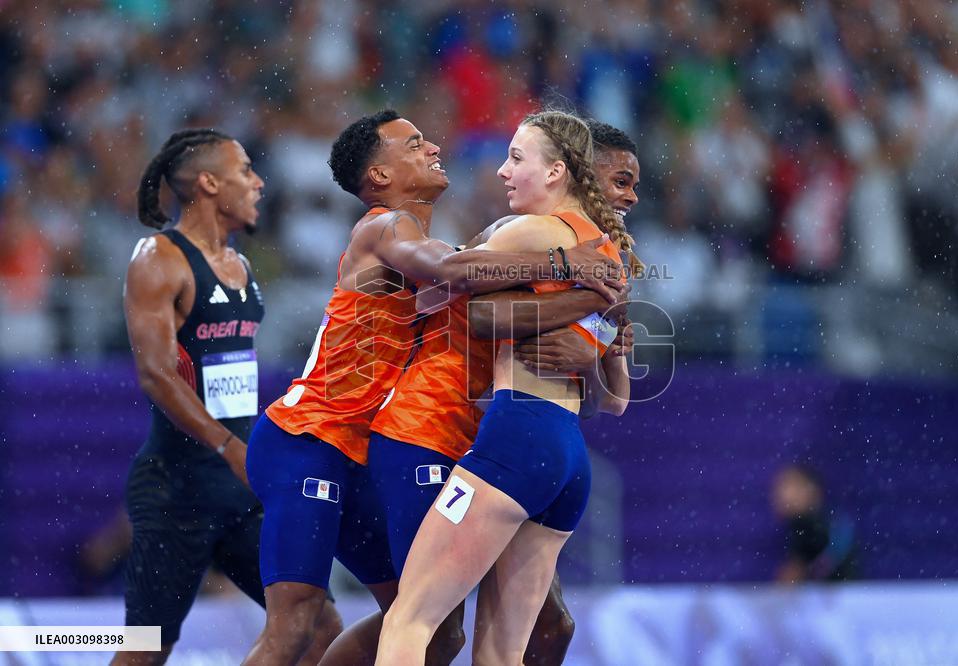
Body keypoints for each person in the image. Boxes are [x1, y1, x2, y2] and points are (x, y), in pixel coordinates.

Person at [244, 109, 622, 666]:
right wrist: (574, 266)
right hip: (314, 436)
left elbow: (472, 279)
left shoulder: (443, 245)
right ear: (379, 177)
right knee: (301, 621)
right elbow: (460, 276)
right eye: (413, 144)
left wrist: (597, 325)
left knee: (437, 630)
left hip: (372, 443)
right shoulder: (385, 226)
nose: (432, 147)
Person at [362, 119, 640, 665]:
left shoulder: (530, 230)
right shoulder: (615, 258)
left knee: (409, 620)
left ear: (557, 171)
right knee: (502, 654)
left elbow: (446, 282)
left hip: (517, 436)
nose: (503, 171)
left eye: (516, 158)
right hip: (567, 457)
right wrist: (589, 336)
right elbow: (615, 400)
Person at [113, 129, 341, 666]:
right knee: (145, 649)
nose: (259, 182)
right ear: (209, 183)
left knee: (318, 622)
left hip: (243, 491)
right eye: (245, 171)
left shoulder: (240, 265)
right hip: (178, 490)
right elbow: (156, 374)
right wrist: (228, 447)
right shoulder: (159, 258)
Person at [771, 464, 860, 582]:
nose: (782, 494)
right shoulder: (826, 521)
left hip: (842, 596)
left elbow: (790, 579)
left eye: (790, 486)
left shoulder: (809, 525)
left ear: (812, 490)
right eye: (780, 487)